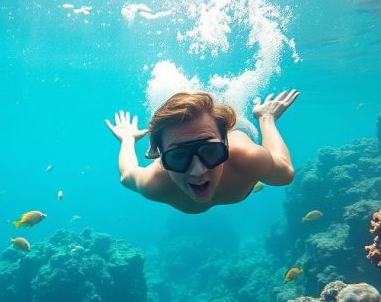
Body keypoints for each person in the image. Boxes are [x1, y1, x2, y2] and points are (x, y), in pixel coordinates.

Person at [105, 90, 299, 214]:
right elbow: (127, 174)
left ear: (225, 143)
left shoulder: (246, 156)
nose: (198, 171)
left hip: (240, 132)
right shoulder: (154, 183)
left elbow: (285, 169)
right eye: (178, 156)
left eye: (210, 151)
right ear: (160, 158)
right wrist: (128, 139)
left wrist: (266, 118)